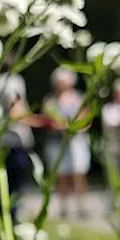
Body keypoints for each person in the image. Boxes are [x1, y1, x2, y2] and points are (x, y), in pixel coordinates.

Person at [43, 67, 92, 220]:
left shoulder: (78, 98)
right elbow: (47, 119)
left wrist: (76, 127)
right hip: (57, 141)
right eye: (59, 82)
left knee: (79, 173)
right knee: (61, 175)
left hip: (77, 140)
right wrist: (59, 126)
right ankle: (64, 208)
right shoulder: (50, 101)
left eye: (64, 81)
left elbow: (86, 118)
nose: (61, 84)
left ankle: (82, 206)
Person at [0, 62, 36, 222]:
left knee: (3, 186)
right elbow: (16, 110)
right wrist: (43, 121)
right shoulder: (14, 81)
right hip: (16, 141)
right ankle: (11, 221)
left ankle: (3, 221)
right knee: (15, 186)